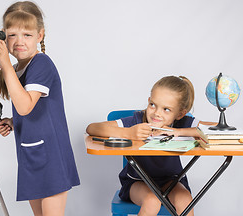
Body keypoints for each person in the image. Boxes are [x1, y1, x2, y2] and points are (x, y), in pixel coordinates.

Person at [0, 1, 80, 216]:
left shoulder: (41, 63)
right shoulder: (16, 69)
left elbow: (24, 106)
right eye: (12, 35)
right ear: (4, 37)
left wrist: (4, 65)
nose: (19, 41)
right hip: (30, 153)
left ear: (40, 36)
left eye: (27, 35)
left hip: (50, 155)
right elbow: (32, 110)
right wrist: (13, 122)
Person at [86, 75, 202, 216]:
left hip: (171, 180)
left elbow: (216, 130)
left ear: (180, 114)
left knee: (185, 200)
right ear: (148, 101)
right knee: (152, 200)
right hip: (137, 182)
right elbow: (92, 128)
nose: (157, 113)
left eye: (166, 109)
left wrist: (178, 131)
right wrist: (129, 133)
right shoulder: (137, 121)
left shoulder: (182, 123)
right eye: (153, 105)